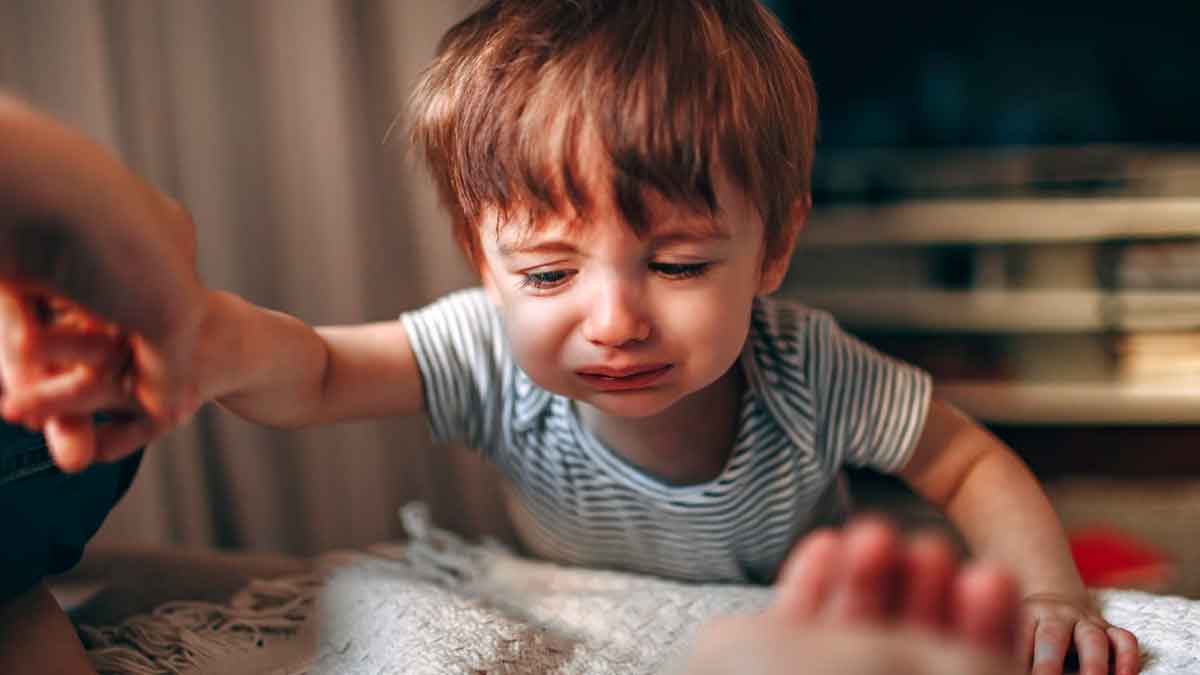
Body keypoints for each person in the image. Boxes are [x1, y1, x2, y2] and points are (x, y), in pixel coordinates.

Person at [0, 2, 1139, 674]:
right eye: (546, 271)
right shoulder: (488, 353)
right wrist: (201, 337)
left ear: (775, 248)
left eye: (682, 264)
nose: (613, 319)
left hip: (786, 611)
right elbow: (319, 369)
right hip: (574, 605)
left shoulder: (809, 368)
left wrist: (1050, 590)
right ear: (481, 260)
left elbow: (969, 460)